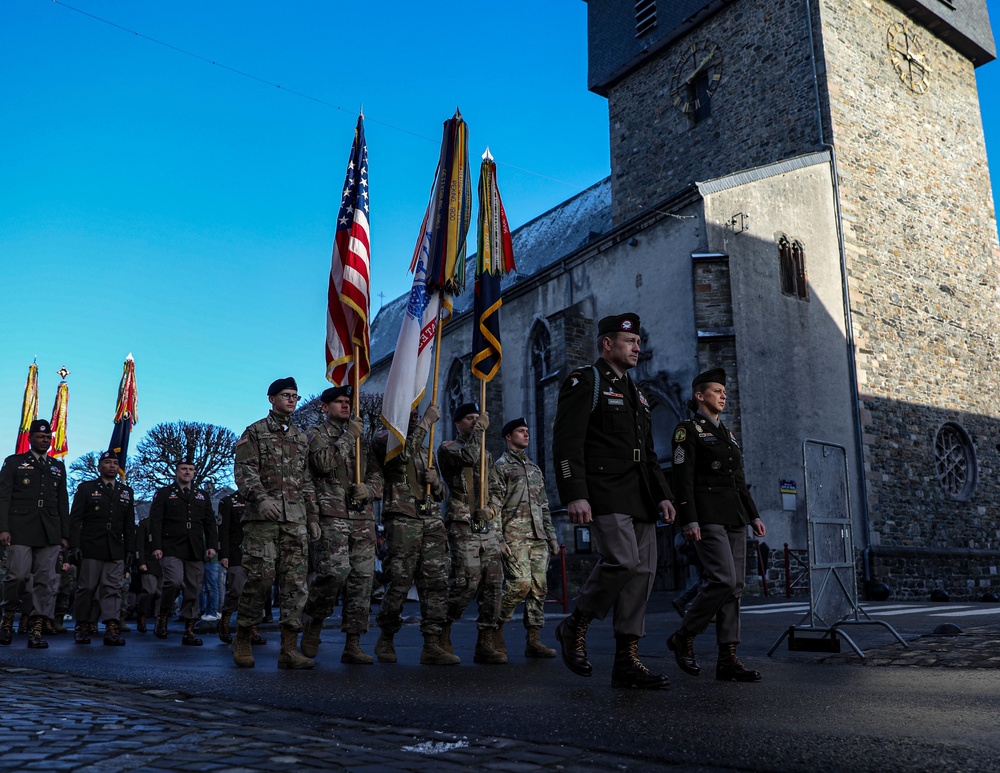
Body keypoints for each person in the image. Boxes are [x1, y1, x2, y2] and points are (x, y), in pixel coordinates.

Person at [551, 312, 676, 689]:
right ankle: (575, 624)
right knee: (622, 561)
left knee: (642, 574)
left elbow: (648, 453)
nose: (638, 347)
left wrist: (664, 496)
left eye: (639, 342)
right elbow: (566, 442)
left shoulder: (636, 393)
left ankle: (627, 660)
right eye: (630, 342)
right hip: (604, 491)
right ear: (608, 344)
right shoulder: (585, 381)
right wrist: (575, 494)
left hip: (639, 495)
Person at [666, 367, 766, 682]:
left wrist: (754, 515)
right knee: (722, 579)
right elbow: (682, 480)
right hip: (706, 514)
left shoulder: (727, 433)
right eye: (717, 391)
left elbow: (739, 480)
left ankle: (728, 657)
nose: (723, 395)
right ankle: (684, 635)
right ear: (699, 395)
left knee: (735, 587)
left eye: (724, 391)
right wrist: (688, 519)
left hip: (734, 515)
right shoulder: (688, 430)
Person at [233, 377, 318, 669]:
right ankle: (243, 634)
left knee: (296, 584)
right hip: (263, 519)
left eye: (295, 395)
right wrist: (260, 499)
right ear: (271, 399)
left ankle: (288, 649)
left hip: (295, 520)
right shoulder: (254, 432)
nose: (292, 400)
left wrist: (313, 516)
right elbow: (244, 471)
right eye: (286, 395)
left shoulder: (300, 437)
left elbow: (306, 482)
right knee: (260, 579)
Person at [301, 385, 383, 664]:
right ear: (325, 407)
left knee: (362, 581)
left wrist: (369, 490)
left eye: (348, 401)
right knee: (333, 574)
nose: (346, 406)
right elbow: (323, 463)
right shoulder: (316, 435)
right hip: (332, 515)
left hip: (362, 517)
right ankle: (313, 623)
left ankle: (354, 641)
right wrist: (349, 437)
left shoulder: (363, 439)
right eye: (339, 402)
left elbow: (376, 475)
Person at [373, 404, 458, 665]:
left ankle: (431, 643)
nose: (413, 416)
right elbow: (400, 460)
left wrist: (437, 482)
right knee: (399, 581)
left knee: (436, 583)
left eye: (415, 413)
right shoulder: (385, 438)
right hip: (402, 519)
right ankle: (386, 636)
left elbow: (441, 493)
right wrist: (425, 425)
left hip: (430, 519)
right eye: (408, 411)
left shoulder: (425, 446)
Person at [438, 402, 505, 664]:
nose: (475, 422)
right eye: (469, 418)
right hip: (462, 522)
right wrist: (479, 433)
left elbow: (498, 489)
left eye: (478, 418)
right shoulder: (448, 448)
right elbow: (468, 457)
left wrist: (492, 509)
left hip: (485, 525)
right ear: (458, 423)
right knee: (466, 581)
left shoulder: (487, 455)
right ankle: (443, 629)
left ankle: (486, 641)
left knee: (493, 583)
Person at [492, 418, 560, 659]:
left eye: (527, 431)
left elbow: (544, 505)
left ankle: (534, 640)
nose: (526, 435)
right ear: (508, 437)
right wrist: (499, 538)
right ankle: (495, 628)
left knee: (538, 589)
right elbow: (495, 505)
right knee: (519, 585)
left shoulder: (534, 469)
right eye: (521, 431)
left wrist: (551, 536)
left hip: (538, 537)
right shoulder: (500, 466)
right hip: (514, 536)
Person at [0, 419, 70, 648]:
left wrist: (64, 534)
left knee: (46, 581)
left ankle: (37, 627)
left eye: (48, 437)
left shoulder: (57, 467)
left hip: (49, 529)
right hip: (20, 528)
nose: (45, 440)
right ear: (30, 438)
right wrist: (3, 527)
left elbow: (62, 502)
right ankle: (8, 617)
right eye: (40, 437)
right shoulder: (14, 463)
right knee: (17, 576)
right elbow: (4, 497)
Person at [68, 450, 136, 646]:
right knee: (87, 588)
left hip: (115, 547)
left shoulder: (126, 492)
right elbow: (76, 519)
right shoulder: (87, 488)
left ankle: (111, 626)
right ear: (100, 467)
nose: (112, 466)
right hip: (91, 545)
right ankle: (82, 625)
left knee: (113, 588)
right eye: (107, 462)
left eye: (115, 463)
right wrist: (74, 545)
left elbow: (129, 525)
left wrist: (130, 550)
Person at [149, 459, 219, 645]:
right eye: (183, 469)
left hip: (195, 548)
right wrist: (156, 545)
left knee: (193, 589)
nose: (187, 472)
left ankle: (189, 629)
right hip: (171, 546)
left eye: (190, 469)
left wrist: (212, 545)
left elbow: (210, 523)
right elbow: (155, 521)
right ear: (177, 472)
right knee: (173, 582)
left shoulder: (201, 495)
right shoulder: (164, 493)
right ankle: (162, 616)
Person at [217, 490, 265, 645]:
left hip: (258, 551)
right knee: (237, 589)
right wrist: (224, 555)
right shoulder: (229, 501)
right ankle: (224, 622)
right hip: (236, 552)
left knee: (256, 591)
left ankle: (251, 627)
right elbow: (223, 530)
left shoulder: (262, 499)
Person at [134, 514, 162, 633]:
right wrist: (140, 562)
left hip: (164, 562)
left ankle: (159, 620)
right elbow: (139, 544)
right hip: (149, 561)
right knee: (149, 590)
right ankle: (141, 614)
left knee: (162, 593)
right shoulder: (145, 523)